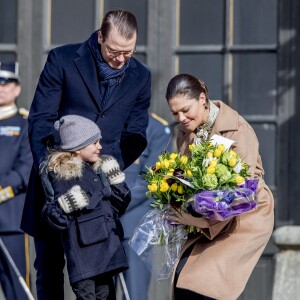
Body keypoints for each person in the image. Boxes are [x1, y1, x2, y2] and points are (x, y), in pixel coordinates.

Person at [20, 9, 151, 300]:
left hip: (100, 192)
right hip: (55, 183)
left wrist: (104, 167)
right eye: (114, 51)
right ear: (100, 37)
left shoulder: (140, 76)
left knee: (103, 274)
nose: (120, 60)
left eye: (127, 53)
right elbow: (41, 119)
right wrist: (55, 169)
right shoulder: (63, 60)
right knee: (50, 270)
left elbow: (136, 133)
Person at [165, 73, 274, 300]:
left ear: (202, 98)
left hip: (244, 217)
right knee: (184, 277)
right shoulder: (185, 133)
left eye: (186, 110)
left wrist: (196, 219)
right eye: (175, 113)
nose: (181, 118)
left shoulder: (237, 129)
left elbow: (243, 193)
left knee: (204, 285)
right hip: (206, 216)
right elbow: (185, 176)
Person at [41, 115, 131, 300]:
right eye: (94, 143)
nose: (100, 146)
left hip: (107, 252)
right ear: (77, 148)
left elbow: (119, 206)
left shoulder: (98, 168)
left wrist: (116, 181)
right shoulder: (62, 174)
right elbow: (54, 217)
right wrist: (66, 204)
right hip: (85, 258)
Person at [120, 112, 172, 300]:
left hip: (134, 226)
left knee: (135, 294)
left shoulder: (157, 128)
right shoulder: (109, 120)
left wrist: (113, 203)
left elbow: (150, 181)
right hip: (102, 227)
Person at [0, 62, 32, 300]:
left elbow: (25, 168)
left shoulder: (24, 124)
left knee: (16, 287)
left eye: (7, 83)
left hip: (9, 218)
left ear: (17, 88)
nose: (2, 88)